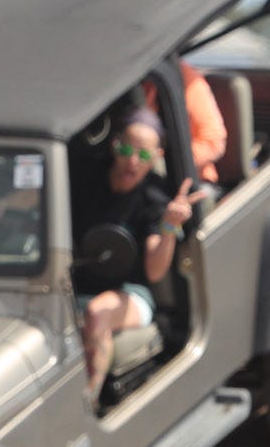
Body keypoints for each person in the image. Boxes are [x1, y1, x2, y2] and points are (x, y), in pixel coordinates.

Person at [71, 109, 195, 399]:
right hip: (76, 284)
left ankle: (88, 401)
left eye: (144, 155)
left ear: (156, 156)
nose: (133, 161)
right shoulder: (86, 176)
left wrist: (169, 226)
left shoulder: (154, 198)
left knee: (96, 314)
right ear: (115, 145)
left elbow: (155, 271)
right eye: (126, 150)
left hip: (131, 293)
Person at [145, 60, 227, 186]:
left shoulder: (182, 77)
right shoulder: (118, 78)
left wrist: (162, 163)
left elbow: (212, 142)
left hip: (192, 183)